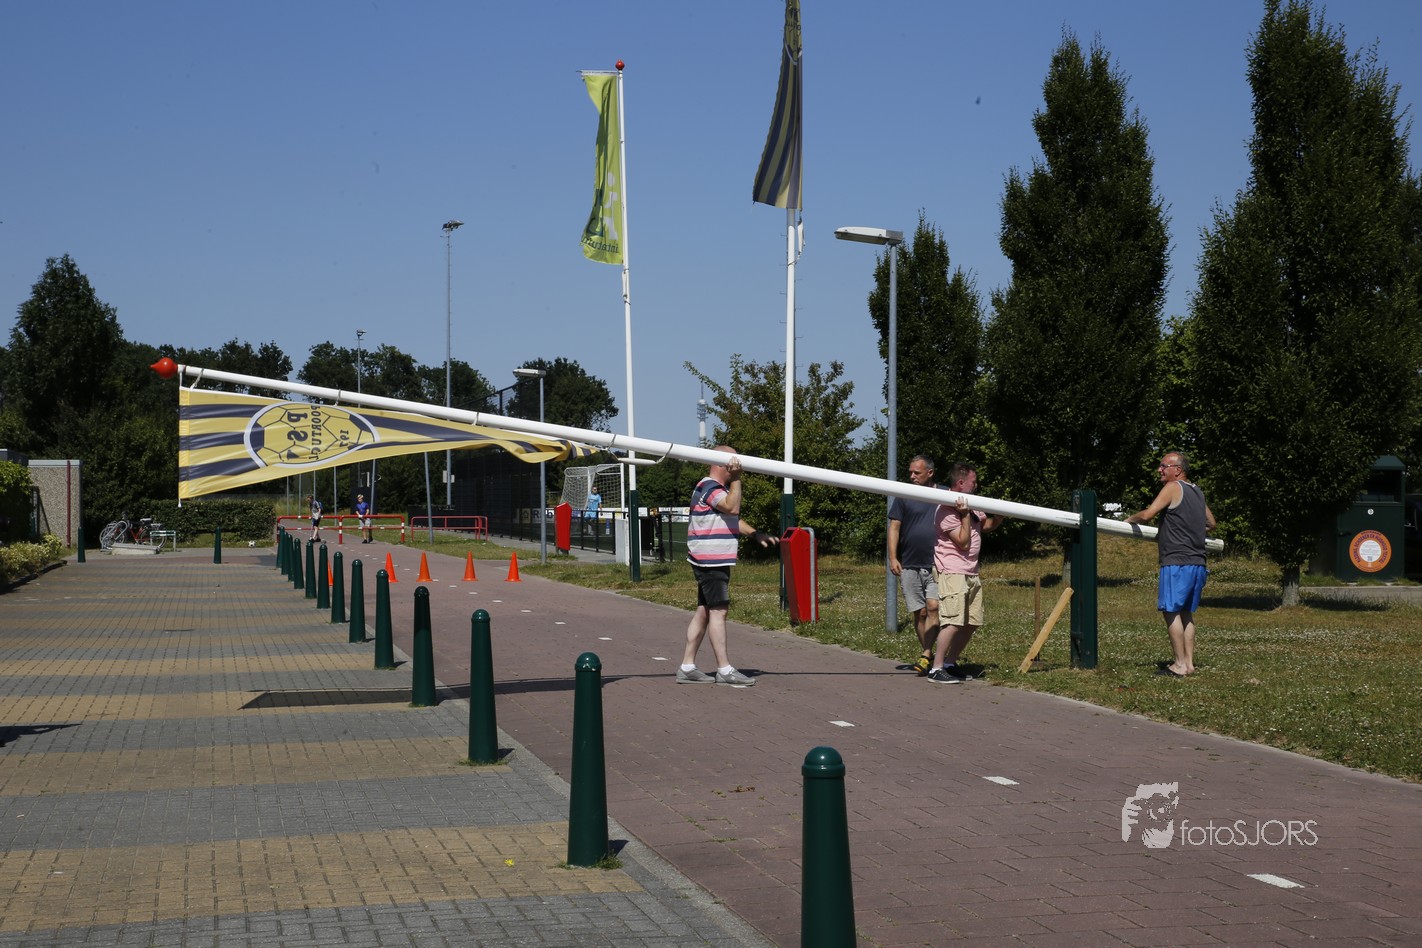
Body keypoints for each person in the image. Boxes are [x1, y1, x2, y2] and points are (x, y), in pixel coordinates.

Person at [678, 446, 779, 686]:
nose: (737, 465)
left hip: (709, 558)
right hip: (711, 560)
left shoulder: (713, 489)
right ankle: (724, 669)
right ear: (722, 465)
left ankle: (687, 666)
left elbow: (730, 517)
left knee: (704, 611)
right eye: (734, 462)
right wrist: (737, 478)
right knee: (719, 611)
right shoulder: (710, 487)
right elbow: (732, 507)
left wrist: (755, 534)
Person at [1125, 451, 1216, 677]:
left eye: (1163, 466)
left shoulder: (1173, 487)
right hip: (1197, 561)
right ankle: (1189, 663)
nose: (1159, 470)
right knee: (1186, 613)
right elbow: (1211, 523)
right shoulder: (1197, 491)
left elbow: (1147, 515)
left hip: (1177, 561)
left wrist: (1128, 520)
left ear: (1177, 470)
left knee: (1171, 611)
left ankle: (1179, 665)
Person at [927, 463, 1003, 683]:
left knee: (972, 621)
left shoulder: (972, 504)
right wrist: (964, 515)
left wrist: (998, 518)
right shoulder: (945, 509)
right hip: (953, 570)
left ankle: (950, 664)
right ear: (961, 483)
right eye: (973, 482)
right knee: (953, 621)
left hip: (971, 570)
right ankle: (936, 668)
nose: (976, 485)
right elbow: (963, 541)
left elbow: (985, 526)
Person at [888, 455, 943, 675]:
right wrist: (893, 557)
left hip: (937, 563)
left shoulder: (944, 494)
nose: (912, 476)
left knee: (933, 607)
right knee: (919, 613)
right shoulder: (904, 495)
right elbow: (894, 528)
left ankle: (927, 655)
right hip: (910, 564)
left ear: (930, 473)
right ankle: (928, 655)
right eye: (910, 472)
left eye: (916, 473)